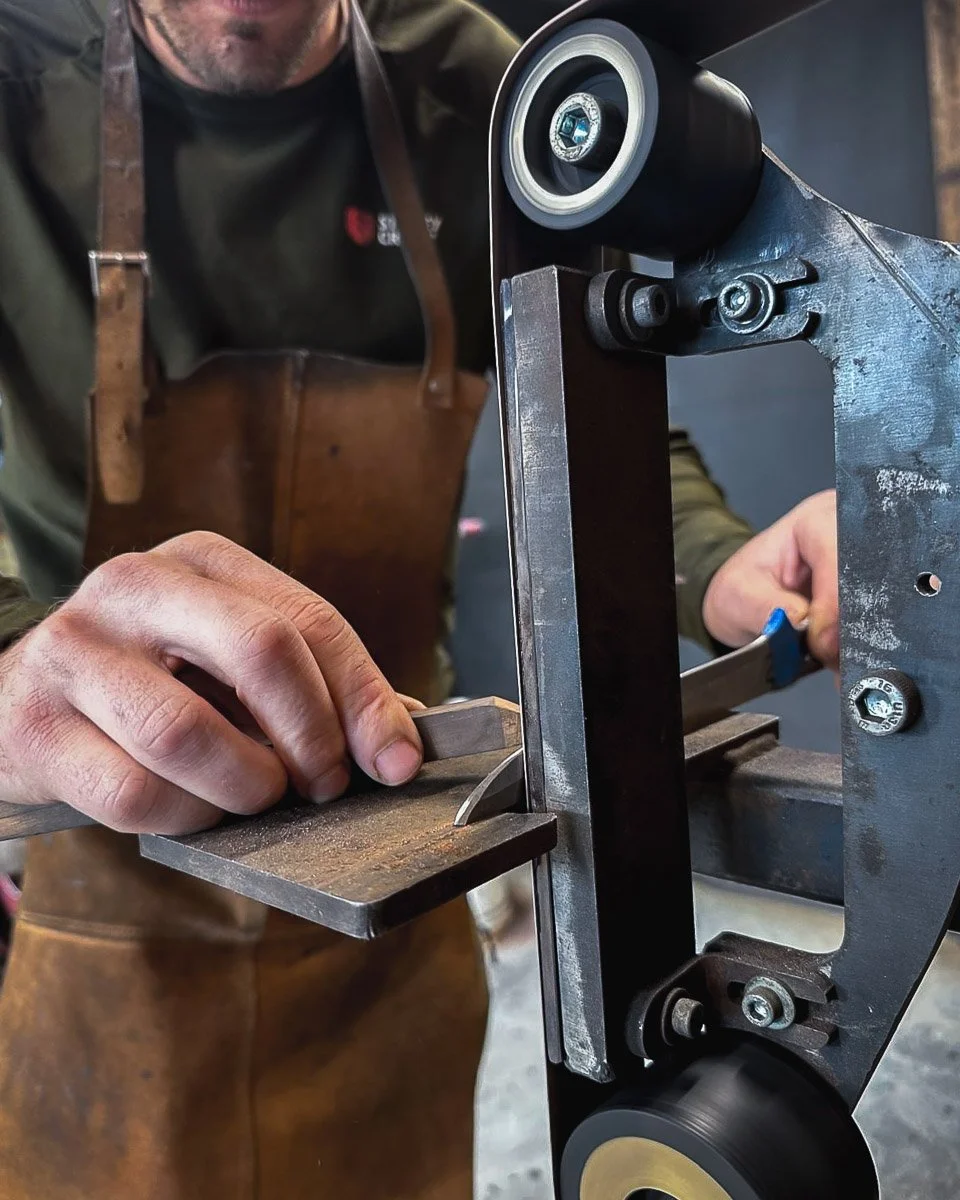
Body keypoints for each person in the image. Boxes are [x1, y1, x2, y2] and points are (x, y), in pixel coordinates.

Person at [0, 0, 838, 1196]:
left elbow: (596, 411)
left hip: (406, 871)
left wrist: (717, 565)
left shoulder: (485, 96)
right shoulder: (19, 89)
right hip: (109, 914)